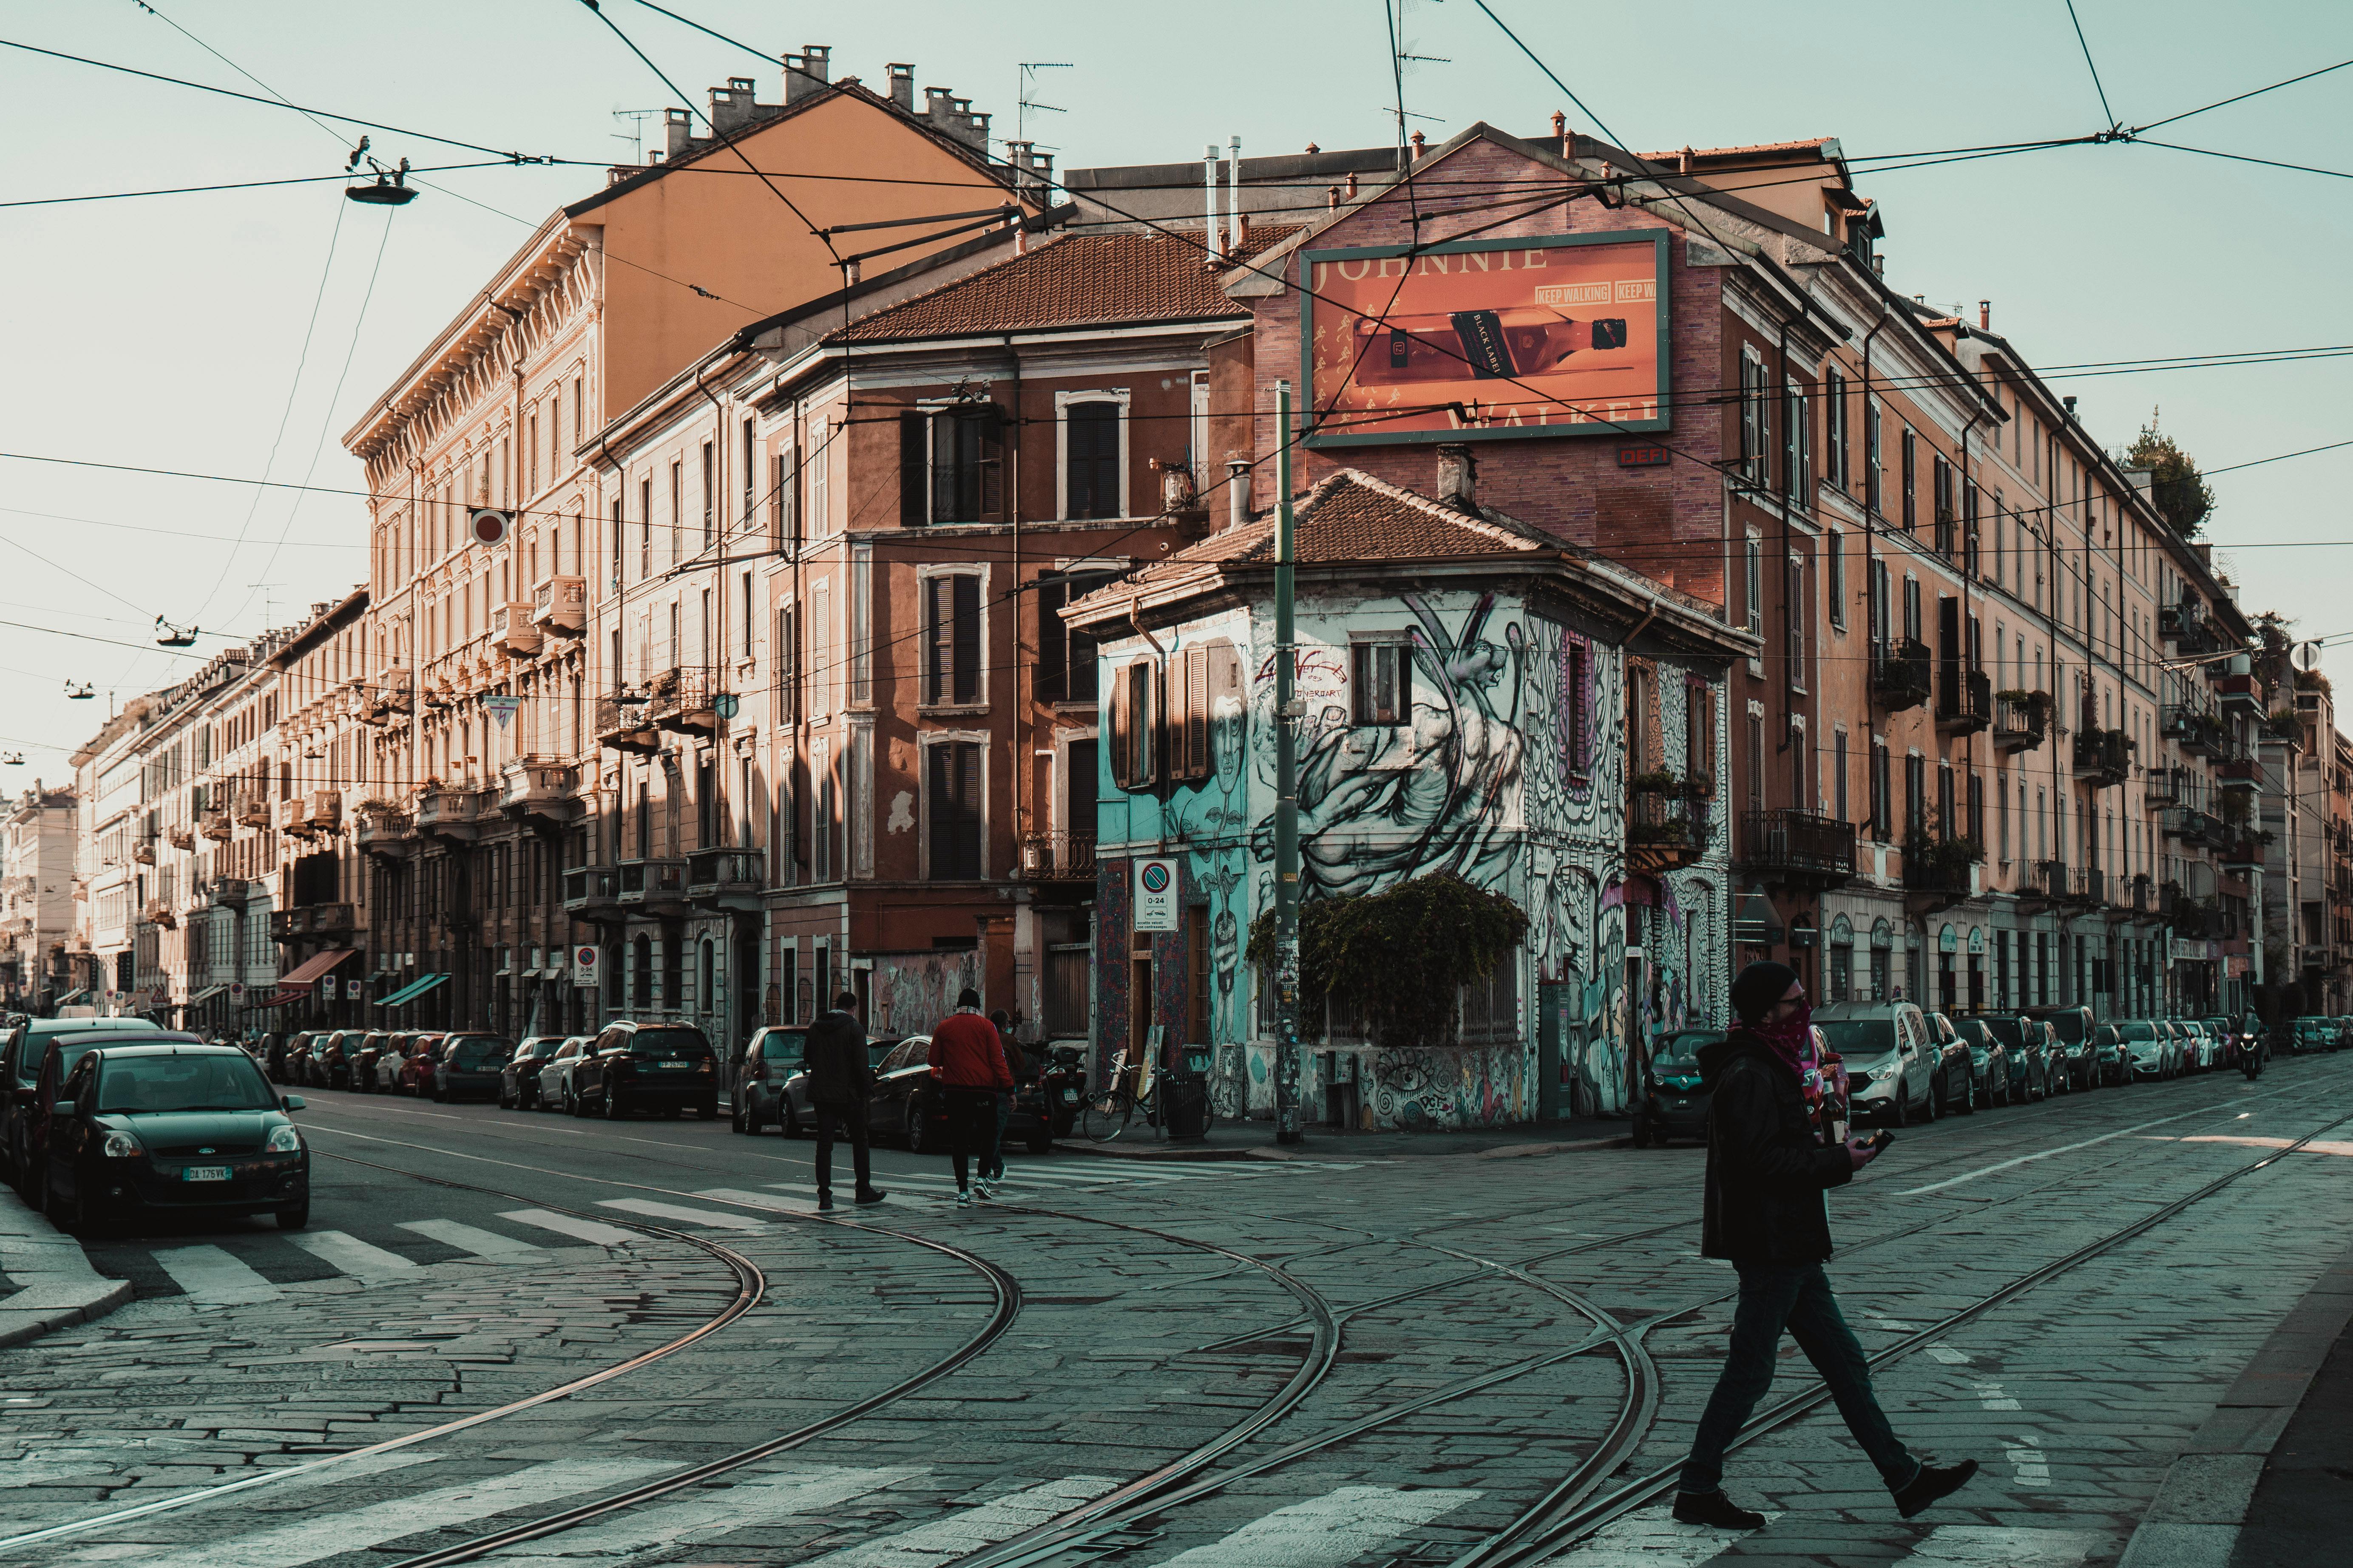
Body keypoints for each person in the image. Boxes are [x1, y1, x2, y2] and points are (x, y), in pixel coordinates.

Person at [1673, 961, 1976, 1530]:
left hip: (1791, 1244)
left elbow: (1784, 1144)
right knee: (1750, 1373)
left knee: (1843, 1362)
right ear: (1765, 1013)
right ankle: (1696, 1486)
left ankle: (1904, 1479)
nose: (1804, 1011)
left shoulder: (1774, 1063)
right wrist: (1839, 1162)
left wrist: (1834, 1129)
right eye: (1794, 1003)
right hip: (1771, 1244)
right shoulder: (1749, 1073)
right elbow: (1759, 1163)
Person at [804, 990, 886, 1213]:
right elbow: (861, 1065)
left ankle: (825, 1196)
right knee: (860, 1140)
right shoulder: (854, 1028)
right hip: (849, 1095)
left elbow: (808, 1058)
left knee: (824, 1144)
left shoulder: (815, 1027)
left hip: (822, 1094)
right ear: (853, 1008)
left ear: (836, 1006)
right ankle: (863, 1190)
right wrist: (867, 1092)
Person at [929, 988, 1013, 1206]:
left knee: (959, 1141)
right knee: (989, 1135)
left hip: (955, 1093)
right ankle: (982, 1177)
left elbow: (933, 1060)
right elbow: (998, 1062)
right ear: (978, 1007)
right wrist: (1010, 1089)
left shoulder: (944, 1027)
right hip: (983, 1091)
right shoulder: (988, 1027)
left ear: (958, 1005)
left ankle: (963, 1192)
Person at [982, 1008, 1023, 1186]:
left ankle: (993, 1168)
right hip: (1003, 1090)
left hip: (985, 1090)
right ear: (1006, 1025)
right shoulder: (1008, 1040)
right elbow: (1020, 1064)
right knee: (995, 1133)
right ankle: (996, 1167)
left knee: (989, 1132)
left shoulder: (983, 1038)